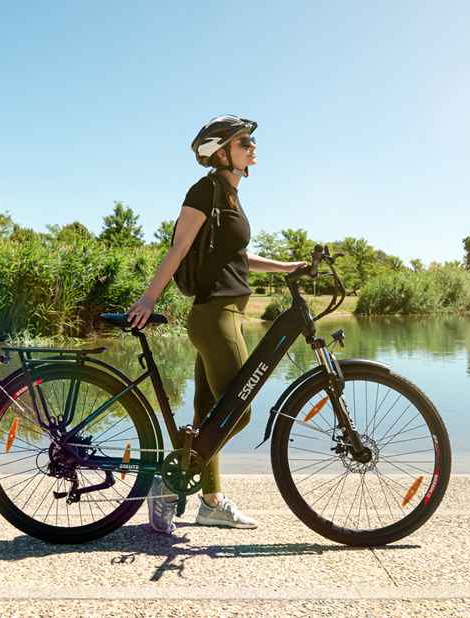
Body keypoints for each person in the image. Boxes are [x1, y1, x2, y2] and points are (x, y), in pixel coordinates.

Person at [126, 115, 306, 533]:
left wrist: (284, 266)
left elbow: (236, 260)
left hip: (230, 315)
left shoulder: (230, 195)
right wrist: (149, 297)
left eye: (251, 140)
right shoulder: (205, 190)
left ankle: (208, 501)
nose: (253, 146)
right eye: (245, 141)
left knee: (210, 415)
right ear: (221, 152)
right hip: (214, 317)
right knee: (236, 411)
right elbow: (180, 246)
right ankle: (167, 488)